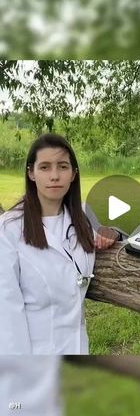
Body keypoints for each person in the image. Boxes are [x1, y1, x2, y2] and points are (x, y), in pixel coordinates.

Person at [0, 133, 122, 354]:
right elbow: (7, 315)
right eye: (45, 167)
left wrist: (113, 233)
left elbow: (112, 235)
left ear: (74, 174)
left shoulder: (82, 216)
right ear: (31, 173)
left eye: (63, 167)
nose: (55, 176)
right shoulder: (8, 229)